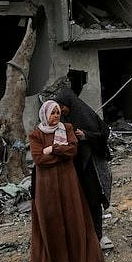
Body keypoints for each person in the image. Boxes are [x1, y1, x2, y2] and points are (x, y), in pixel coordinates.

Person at [28, 100, 104, 262]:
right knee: (52, 223)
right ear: (44, 115)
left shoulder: (67, 128)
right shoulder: (36, 134)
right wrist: (60, 155)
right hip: (46, 187)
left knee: (73, 218)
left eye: (57, 112)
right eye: (52, 113)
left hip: (69, 182)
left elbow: (72, 150)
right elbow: (39, 159)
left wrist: (53, 149)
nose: (56, 116)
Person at [54, 87, 113, 247]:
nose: (61, 110)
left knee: (94, 199)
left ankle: (98, 234)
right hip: (78, 165)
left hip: (92, 165)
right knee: (82, 201)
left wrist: (86, 135)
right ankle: (88, 234)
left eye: (62, 107)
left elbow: (104, 133)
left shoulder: (84, 114)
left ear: (68, 103)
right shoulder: (66, 117)